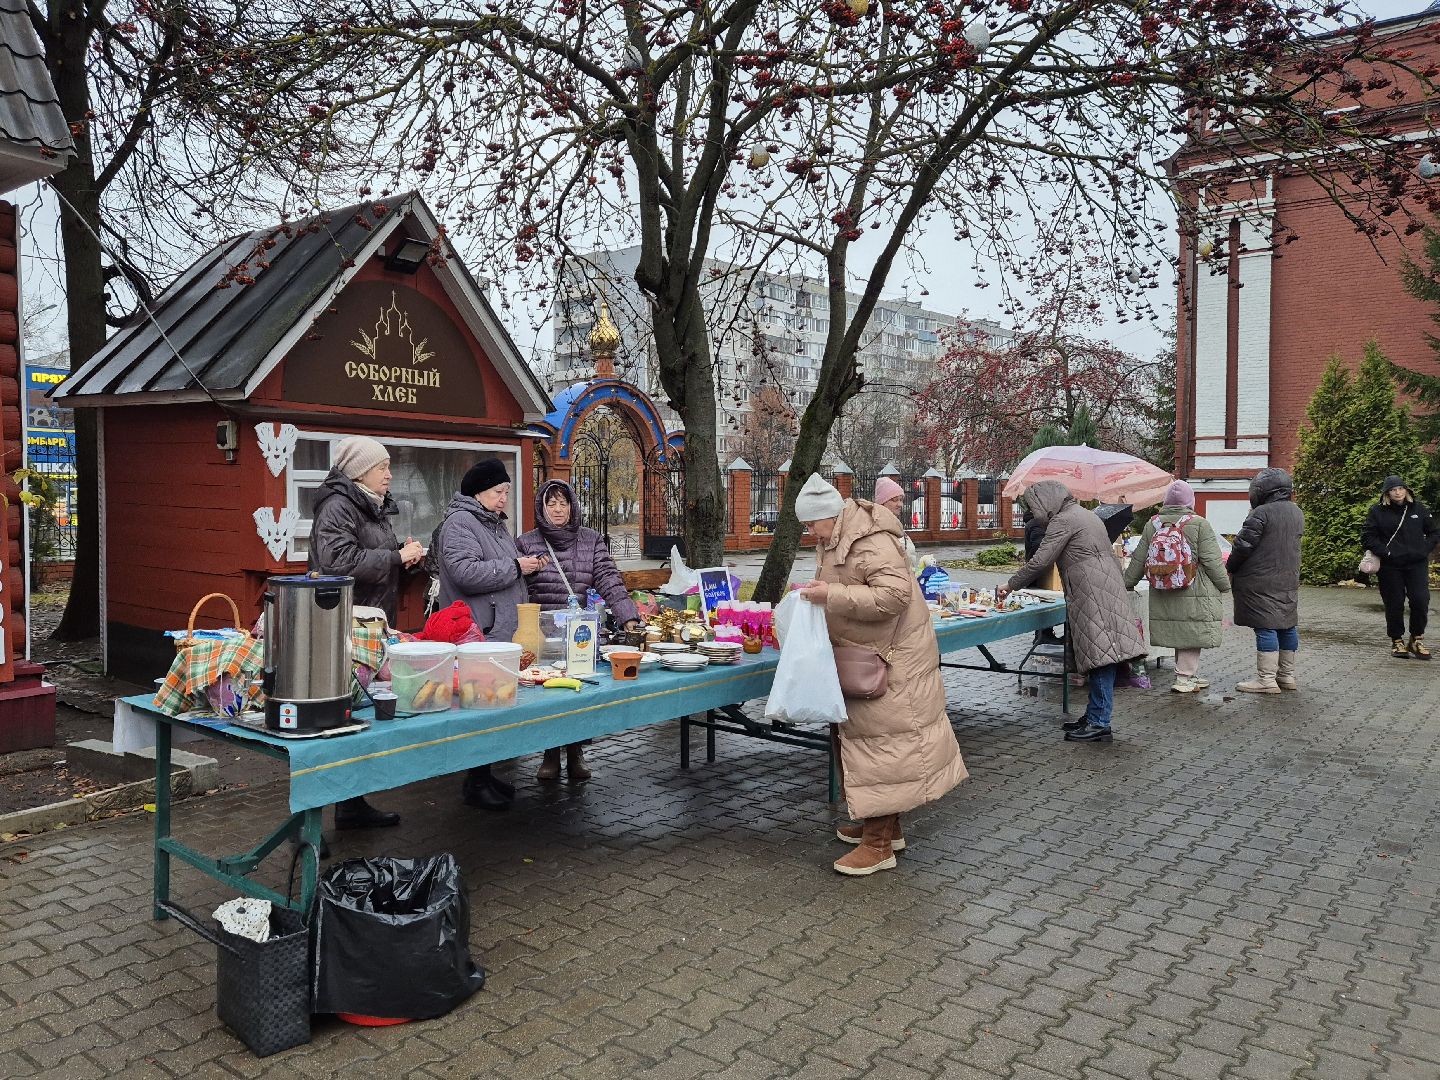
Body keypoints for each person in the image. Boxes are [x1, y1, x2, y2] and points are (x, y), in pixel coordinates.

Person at [793, 474, 968, 877]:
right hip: (869, 654)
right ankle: (887, 827)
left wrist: (830, 595)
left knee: (883, 747)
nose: (810, 532)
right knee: (870, 743)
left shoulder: (869, 541)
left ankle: (878, 845)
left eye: (812, 524)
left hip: (892, 660)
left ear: (830, 515)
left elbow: (894, 596)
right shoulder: (838, 538)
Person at [308, 435, 423, 832]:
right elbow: (337, 562)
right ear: (360, 472)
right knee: (336, 718)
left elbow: (371, 557)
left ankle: (351, 803)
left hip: (368, 623)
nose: (389, 474)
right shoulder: (338, 506)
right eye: (382, 467)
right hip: (341, 625)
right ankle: (312, 817)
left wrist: (403, 559)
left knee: (356, 716)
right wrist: (395, 556)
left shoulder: (371, 506)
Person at [436, 458, 547, 809]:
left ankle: (483, 775)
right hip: (476, 631)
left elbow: (500, 569)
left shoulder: (493, 523)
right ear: (478, 492)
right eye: (498, 492)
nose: (503, 499)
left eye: (506, 492)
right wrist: (516, 566)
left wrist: (528, 567)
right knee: (479, 706)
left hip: (495, 629)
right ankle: (475, 781)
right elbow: (466, 573)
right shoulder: (460, 523)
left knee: (492, 704)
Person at [1001, 480, 1145, 743]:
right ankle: (1094, 714)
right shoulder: (1086, 515)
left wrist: (1010, 585)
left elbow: (1040, 560)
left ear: (1044, 502)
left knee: (1101, 655)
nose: (1034, 512)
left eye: (1034, 506)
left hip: (1091, 592)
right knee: (1102, 652)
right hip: (1105, 588)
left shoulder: (1063, 520)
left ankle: (1099, 722)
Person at [517, 479, 642, 783]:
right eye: (551, 503)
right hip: (543, 634)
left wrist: (627, 616)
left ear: (573, 506)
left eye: (563, 503)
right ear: (541, 508)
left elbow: (609, 579)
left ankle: (576, 752)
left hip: (580, 634)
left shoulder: (591, 540)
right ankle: (549, 754)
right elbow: (517, 587)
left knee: (578, 692)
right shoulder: (526, 543)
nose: (558, 509)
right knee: (548, 694)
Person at [1122, 480, 1231, 693]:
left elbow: (1139, 558)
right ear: (1190, 501)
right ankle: (1184, 677)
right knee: (1191, 630)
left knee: (1180, 629)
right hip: (1194, 588)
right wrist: (1224, 585)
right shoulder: (1199, 524)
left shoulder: (1153, 524)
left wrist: (1128, 582)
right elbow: (1211, 560)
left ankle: (1188, 673)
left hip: (1162, 584)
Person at [1227, 468, 1305, 693]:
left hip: (1260, 580)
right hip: (1287, 578)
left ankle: (1266, 680)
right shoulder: (1296, 512)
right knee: (1287, 625)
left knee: (1266, 626)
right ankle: (1286, 676)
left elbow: (1243, 546)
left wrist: (1231, 567)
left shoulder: (1261, 513)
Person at [1360, 475, 1439, 660]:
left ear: (1406, 490)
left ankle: (1416, 638)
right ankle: (1397, 640)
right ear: (1387, 493)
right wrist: (1386, 552)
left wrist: (1424, 550)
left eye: (1401, 488)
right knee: (1394, 603)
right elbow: (1367, 537)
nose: (1398, 492)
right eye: (1393, 490)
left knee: (1420, 600)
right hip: (1391, 566)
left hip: (1416, 564)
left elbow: (1434, 532)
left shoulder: (1418, 509)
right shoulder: (1377, 511)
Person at [874, 476, 920, 574]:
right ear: (882, 502)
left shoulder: (896, 526)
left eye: (901, 500)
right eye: (894, 500)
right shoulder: (876, 528)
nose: (900, 504)